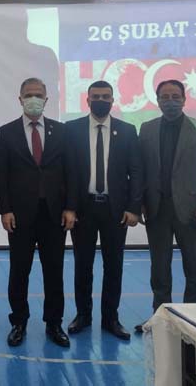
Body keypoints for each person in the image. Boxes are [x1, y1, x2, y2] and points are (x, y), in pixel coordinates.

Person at [135, 80, 196, 332]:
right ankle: (160, 320)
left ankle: (191, 321)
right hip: (157, 211)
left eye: (175, 96)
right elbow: (141, 170)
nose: (170, 101)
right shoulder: (147, 129)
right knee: (159, 271)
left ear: (184, 99)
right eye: (165, 96)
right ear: (157, 100)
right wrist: (140, 203)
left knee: (195, 271)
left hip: (192, 212)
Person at [0, 77, 75, 348]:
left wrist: (70, 207)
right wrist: (5, 210)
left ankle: (54, 323)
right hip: (20, 215)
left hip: (54, 214)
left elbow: (71, 172)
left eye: (38, 94)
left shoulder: (61, 132)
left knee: (54, 271)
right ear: (20, 99)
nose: (33, 99)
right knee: (19, 271)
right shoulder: (6, 133)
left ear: (46, 99)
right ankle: (18, 322)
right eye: (28, 94)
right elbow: (1, 175)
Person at [63, 81, 143, 341]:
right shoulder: (72, 129)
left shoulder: (127, 131)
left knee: (114, 266)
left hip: (115, 210)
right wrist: (69, 207)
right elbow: (67, 172)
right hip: (83, 208)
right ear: (87, 100)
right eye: (95, 96)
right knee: (82, 265)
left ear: (112, 100)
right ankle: (83, 316)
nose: (100, 100)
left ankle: (111, 318)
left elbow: (136, 172)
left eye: (105, 96)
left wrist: (133, 208)